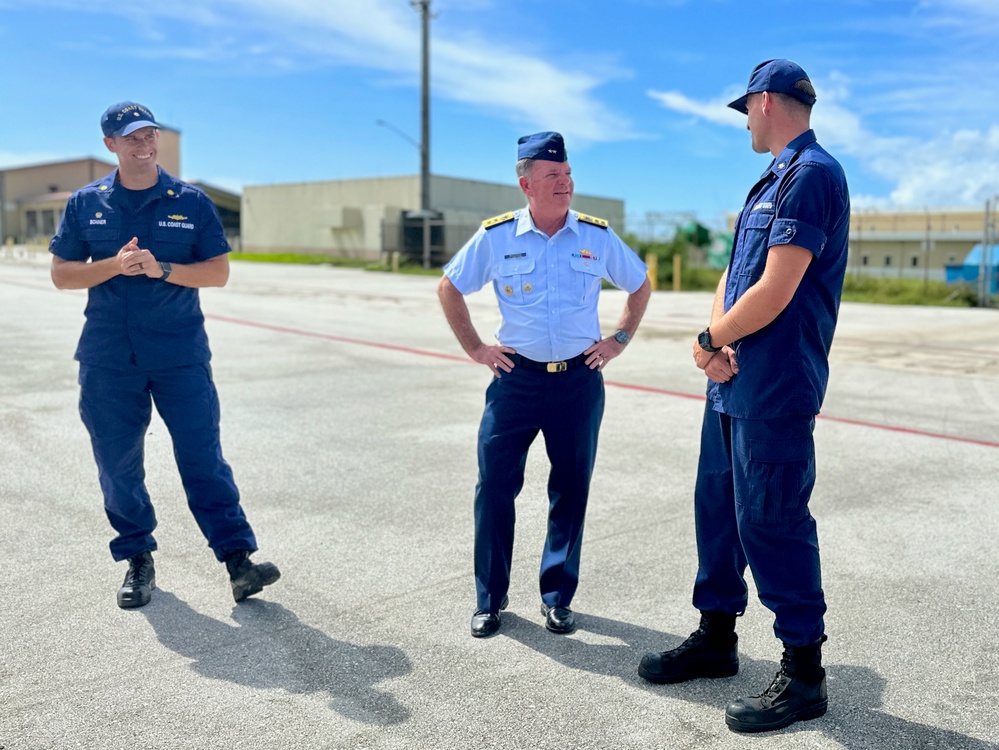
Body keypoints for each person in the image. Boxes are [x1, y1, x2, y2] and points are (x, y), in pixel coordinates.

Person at [637, 60, 850, 733]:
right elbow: (736, 274)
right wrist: (712, 344)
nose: (744, 124)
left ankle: (804, 673)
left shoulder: (811, 174)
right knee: (718, 511)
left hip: (774, 384)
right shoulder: (770, 178)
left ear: (763, 102)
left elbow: (777, 287)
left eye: (745, 111)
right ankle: (715, 638)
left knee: (772, 518)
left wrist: (707, 337)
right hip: (731, 380)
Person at [50, 101, 280, 609]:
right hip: (109, 357)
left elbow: (217, 272)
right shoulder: (86, 203)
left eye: (149, 134)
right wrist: (114, 264)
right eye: (131, 137)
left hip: (180, 355)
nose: (144, 144)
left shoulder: (191, 201)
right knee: (118, 463)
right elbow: (62, 274)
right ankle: (137, 558)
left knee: (203, 457)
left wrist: (163, 270)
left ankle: (238, 560)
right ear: (110, 144)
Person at [439, 131, 651, 638]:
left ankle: (557, 597)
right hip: (516, 380)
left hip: (578, 381)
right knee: (494, 486)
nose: (566, 182)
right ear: (526, 183)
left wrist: (618, 339)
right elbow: (450, 287)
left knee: (571, 488)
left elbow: (640, 284)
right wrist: (476, 349)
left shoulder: (595, 236)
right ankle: (490, 599)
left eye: (569, 174)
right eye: (553, 176)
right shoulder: (496, 237)